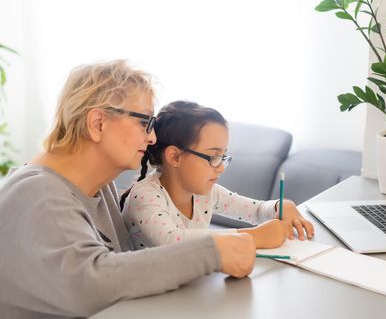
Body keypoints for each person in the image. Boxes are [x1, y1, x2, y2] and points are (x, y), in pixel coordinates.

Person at [0, 60, 257, 318]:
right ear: (98, 123)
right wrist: (212, 251)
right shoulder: (38, 194)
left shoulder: (100, 187)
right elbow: (92, 284)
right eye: (144, 122)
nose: (153, 137)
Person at [121, 101, 314, 250]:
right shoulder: (145, 196)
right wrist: (251, 237)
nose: (221, 167)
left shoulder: (206, 193)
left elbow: (256, 210)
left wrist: (282, 206)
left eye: (223, 157)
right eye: (213, 157)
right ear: (175, 156)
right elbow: (174, 241)